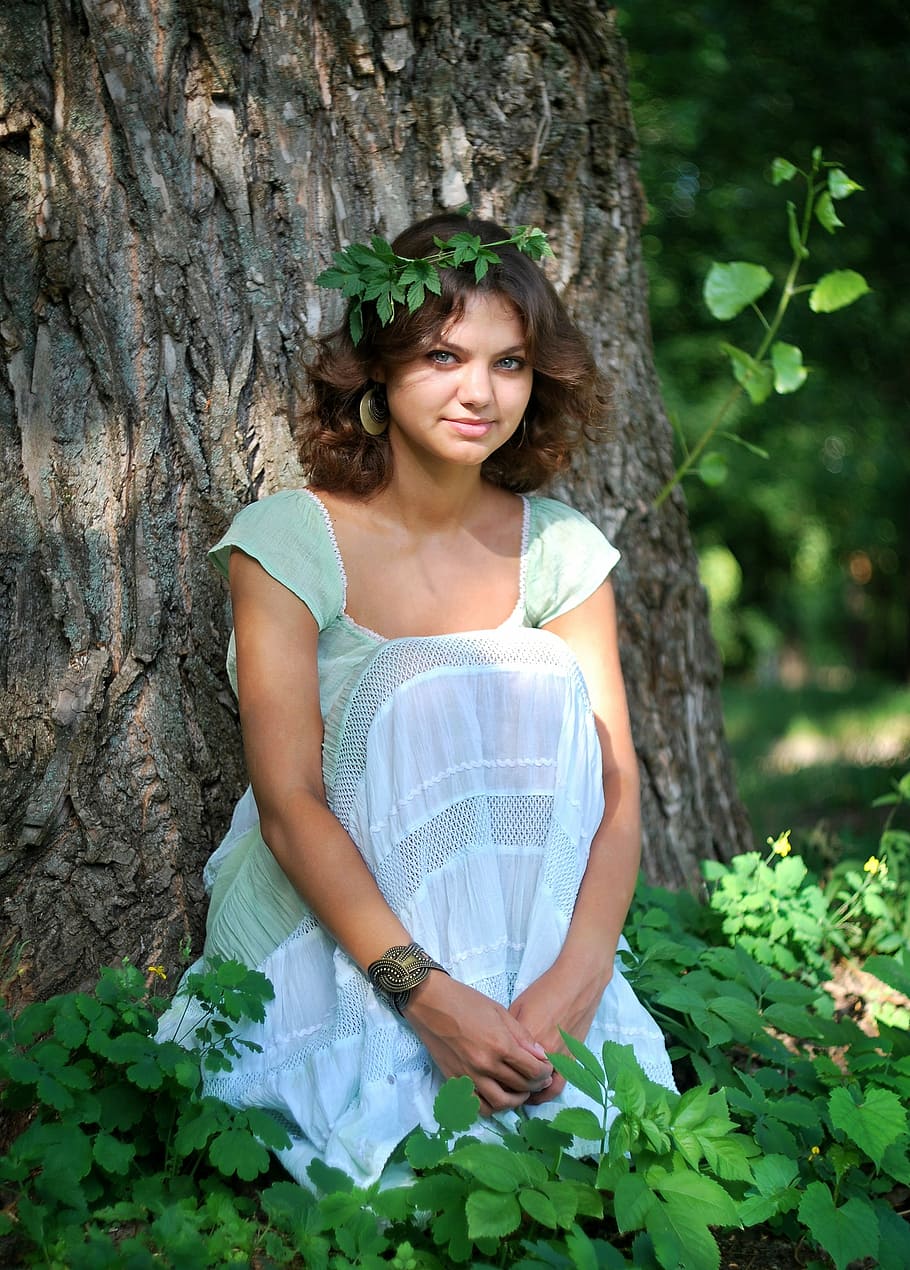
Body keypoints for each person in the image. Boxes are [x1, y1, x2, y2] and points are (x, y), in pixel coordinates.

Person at [159, 213, 675, 1186]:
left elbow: (616, 788)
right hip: (340, 948)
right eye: (443, 354)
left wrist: (578, 981)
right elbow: (288, 805)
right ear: (380, 370)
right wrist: (424, 994)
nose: (479, 391)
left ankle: (518, 1046)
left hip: (536, 964)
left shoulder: (560, 550)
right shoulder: (291, 542)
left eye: (509, 362)